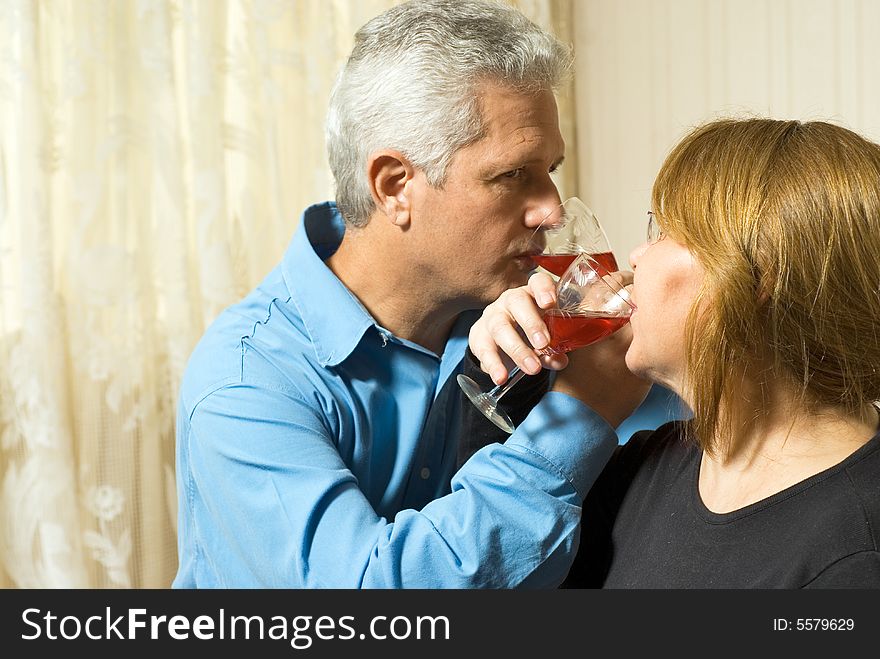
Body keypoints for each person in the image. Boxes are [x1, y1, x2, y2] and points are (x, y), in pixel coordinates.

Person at [172, 0, 676, 589]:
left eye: (550, 171)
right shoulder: (247, 381)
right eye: (512, 176)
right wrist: (577, 412)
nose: (552, 208)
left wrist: (645, 337)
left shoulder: (517, 318)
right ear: (395, 187)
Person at [467, 117, 880, 587]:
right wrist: (508, 364)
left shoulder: (857, 558)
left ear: (756, 276)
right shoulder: (646, 466)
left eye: (663, 230)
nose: (638, 256)